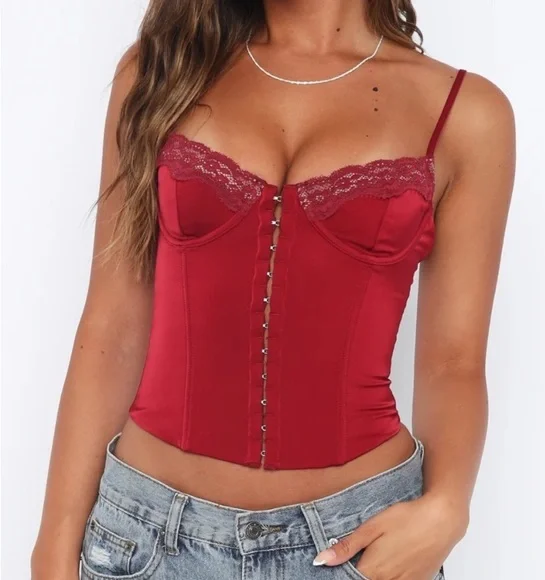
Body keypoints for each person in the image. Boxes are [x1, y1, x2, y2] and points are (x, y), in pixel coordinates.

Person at [31, 1, 515, 579]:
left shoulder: (464, 113)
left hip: (356, 544)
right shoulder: (164, 70)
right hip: (146, 540)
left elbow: (453, 361)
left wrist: (449, 507)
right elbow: (112, 324)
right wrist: (53, 546)